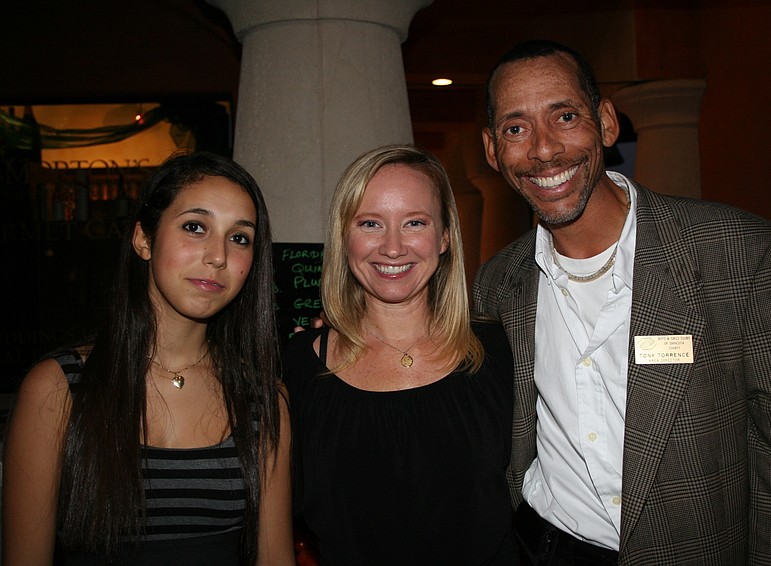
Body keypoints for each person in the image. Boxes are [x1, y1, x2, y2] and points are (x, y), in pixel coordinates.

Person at [473, 39, 771, 565]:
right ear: (492, 150)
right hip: (542, 546)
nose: (544, 149)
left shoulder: (744, 257)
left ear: (606, 122)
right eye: (515, 128)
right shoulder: (498, 282)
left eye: (565, 116)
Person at [2, 151, 295, 566]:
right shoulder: (58, 388)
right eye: (195, 227)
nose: (218, 255)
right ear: (143, 239)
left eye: (239, 237)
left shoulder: (263, 399)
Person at [284, 144, 518, 565]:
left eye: (414, 222)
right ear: (344, 237)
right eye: (371, 223)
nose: (393, 248)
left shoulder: (502, 351)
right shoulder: (296, 366)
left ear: (445, 236)